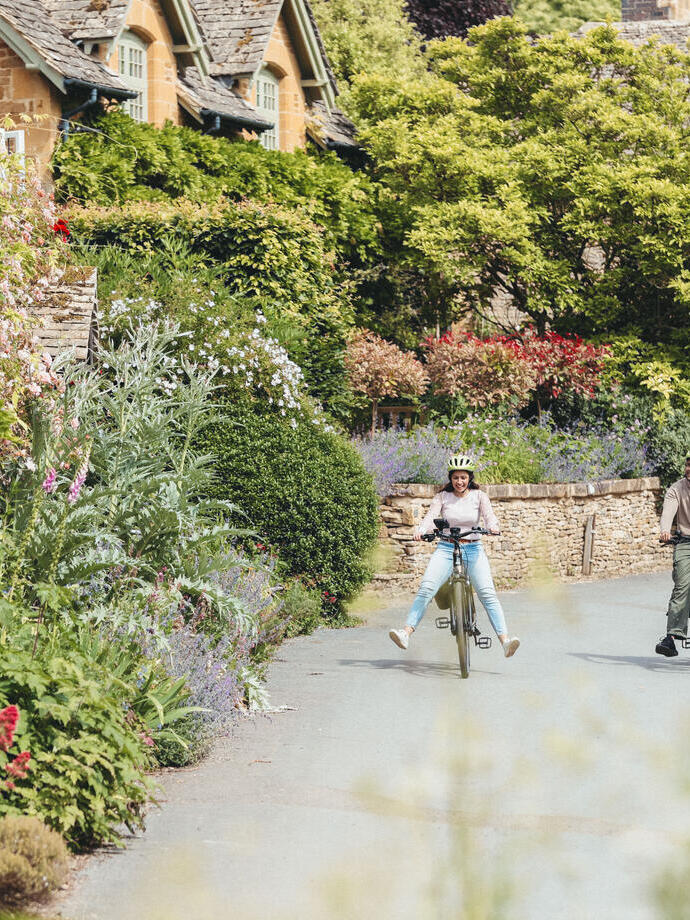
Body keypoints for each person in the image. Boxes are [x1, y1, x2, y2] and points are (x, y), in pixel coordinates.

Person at [389, 454, 520, 658]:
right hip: (446, 548)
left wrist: (493, 527)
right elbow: (431, 518)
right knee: (427, 588)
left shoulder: (479, 496)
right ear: (450, 478)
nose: (459, 482)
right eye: (456, 477)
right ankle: (405, 633)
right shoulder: (442, 497)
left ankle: (505, 641)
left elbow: (489, 517)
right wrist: (421, 531)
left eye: (463, 477)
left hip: (473, 548)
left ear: (470, 478)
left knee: (487, 594)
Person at [656, 455, 690, 657]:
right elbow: (668, 512)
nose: (688, 469)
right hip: (685, 542)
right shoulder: (677, 489)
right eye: (687, 465)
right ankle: (671, 637)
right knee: (682, 586)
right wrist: (665, 530)